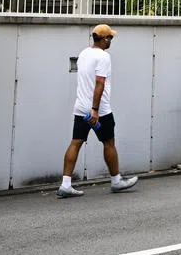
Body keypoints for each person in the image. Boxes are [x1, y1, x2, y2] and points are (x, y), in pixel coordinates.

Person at [58, 24, 139, 197]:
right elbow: (100, 83)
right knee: (109, 143)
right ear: (105, 39)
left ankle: (65, 185)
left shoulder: (84, 53)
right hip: (99, 110)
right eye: (110, 38)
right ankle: (116, 181)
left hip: (81, 108)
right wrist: (95, 110)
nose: (111, 41)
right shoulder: (103, 56)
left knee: (76, 142)